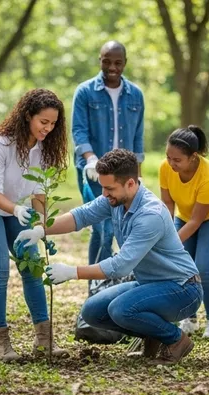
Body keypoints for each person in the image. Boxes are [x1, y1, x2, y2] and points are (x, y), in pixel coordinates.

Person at [15, 148, 203, 365]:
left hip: (183, 289)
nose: (104, 194)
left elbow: (120, 266)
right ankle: (154, 335)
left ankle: (176, 340)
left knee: (120, 309)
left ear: (131, 183)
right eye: (103, 187)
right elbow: (82, 216)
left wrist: (71, 272)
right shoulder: (116, 199)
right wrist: (41, 230)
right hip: (149, 285)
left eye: (109, 188)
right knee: (92, 312)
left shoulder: (151, 215)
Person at [0, 89, 69, 362]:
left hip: (17, 209)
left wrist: (42, 228)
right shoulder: (0, 144)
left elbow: (39, 195)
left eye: (53, 124)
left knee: (32, 265)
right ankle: (1, 343)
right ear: (27, 116)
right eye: (43, 122)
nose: (48, 129)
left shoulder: (43, 148)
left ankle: (44, 340)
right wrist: (16, 209)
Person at [160, 125, 209, 338]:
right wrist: (165, 233)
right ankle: (189, 318)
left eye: (177, 160)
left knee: (203, 268)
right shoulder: (165, 169)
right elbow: (167, 204)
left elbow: (196, 221)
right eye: (168, 157)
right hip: (183, 217)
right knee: (182, 267)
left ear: (193, 157)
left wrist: (169, 243)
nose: (171, 163)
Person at [72, 40, 145, 263]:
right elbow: (78, 130)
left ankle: (103, 280)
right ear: (100, 60)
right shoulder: (84, 92)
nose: (112, 67)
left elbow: (138, 136)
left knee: (116, 227)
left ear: (125, 63)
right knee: (103, 228)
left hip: (124, 172)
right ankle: (97, 283)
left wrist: (138, 173)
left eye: (117, 62)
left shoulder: (136, 95)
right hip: (94, 171)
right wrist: (91, 159)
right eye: (106, 62)